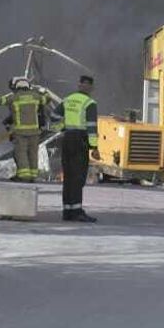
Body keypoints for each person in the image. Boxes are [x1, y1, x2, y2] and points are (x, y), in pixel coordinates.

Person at [59, 74, 100, 222]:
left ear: (79, 85)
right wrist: (94, 147)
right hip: (79, 141)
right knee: (77, 177)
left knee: (68, 177)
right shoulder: (89, 103)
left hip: (67, 139)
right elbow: (91, 127)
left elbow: (53, 116)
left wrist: (63, 128)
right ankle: (76, 211)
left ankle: (67, 210)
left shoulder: (67, 99)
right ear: (91, 87)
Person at [3, 77, 44, 182]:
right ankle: (32, 175)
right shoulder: (36, 97)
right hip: (35, 132)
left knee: (20, 153)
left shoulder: (15, 98)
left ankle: (24, 175)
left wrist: (8, 123)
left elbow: (18, 113)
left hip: (21, 132)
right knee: (32, 153)